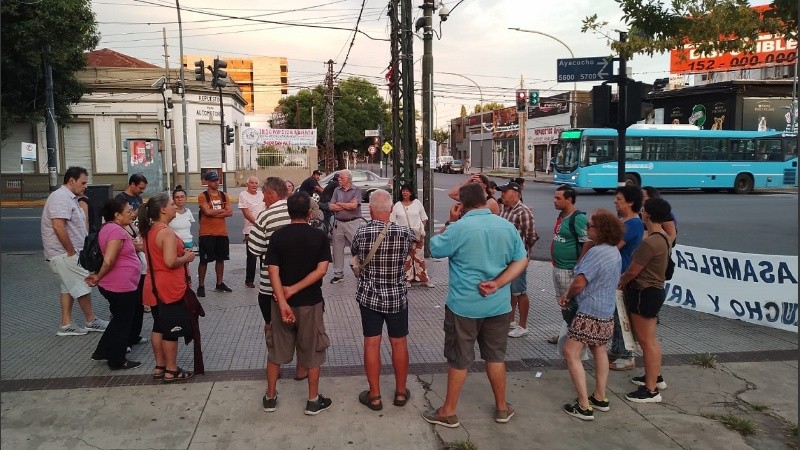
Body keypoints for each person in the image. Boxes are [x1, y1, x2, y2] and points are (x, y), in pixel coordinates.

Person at [424, 183, 528, 428]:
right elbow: (521, 260)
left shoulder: (459, 228)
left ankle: (448, 411)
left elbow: (435, 249)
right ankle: (502, 407)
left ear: (461, 204)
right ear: (484, 200)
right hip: (499, 306)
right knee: (495, 357)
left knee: (459, 359)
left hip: (464, 307)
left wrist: (450, 222)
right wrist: (498, 283)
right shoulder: (505, 225)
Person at [262, 192, 333, 415]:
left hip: (280, 304)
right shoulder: (319, 237)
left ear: (289, 211)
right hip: (310, 304)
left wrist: (283, 301)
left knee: (276, 352)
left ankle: (270, 397)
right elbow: (321, 270)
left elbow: (272, 271)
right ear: (310, 213)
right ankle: (313, 400)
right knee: (312, 352)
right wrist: (294, 289)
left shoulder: (278, 236)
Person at [352, 189, 416, 411]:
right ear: (391, 210)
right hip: (397, 297)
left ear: (370, 210)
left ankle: (375, 396)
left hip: (369, 296)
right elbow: (414, 248)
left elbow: (356, 253)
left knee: (372, 343)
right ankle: (400, 393)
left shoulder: (362, 232)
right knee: (398, 342)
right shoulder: (404, 233)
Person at [558, 209, 624, 421]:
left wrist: (567, 296)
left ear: (601, 229)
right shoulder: (613, 251)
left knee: (570, 352)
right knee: (599, 348)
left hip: (589, 310)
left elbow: (579, 281)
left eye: (590, 226)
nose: (587, 229)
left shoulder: (597, 252)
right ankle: (600, 396)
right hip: (605, 310)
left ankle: (584, 405)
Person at [248, 177, 307, 382]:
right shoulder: (301, 213)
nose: (262, 198)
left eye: (264, 194)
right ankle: (302, 367)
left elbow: (254, 249)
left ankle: (276, 364)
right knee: (302, 327)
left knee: (272, 326)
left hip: (270, 286)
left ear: (272, 194)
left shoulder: (265, 216)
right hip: (301, 284)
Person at [41, 166, 108, 336]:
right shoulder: (60, 197)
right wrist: (70, 251)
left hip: (69, 253)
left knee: (68, 287)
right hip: (64, 253)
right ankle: (91, 320)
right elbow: (58, 225)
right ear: (71, 180)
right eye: (83, 182)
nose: (85, 186)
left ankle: (66, 324)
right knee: (82, 284)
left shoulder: (70, 198)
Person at [618, 198, 673, 403]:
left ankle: (650, 390)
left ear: (647, 214)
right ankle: (654, 377)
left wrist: (621, 282)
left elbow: (633, 270)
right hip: (654, 291)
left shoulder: (650, 242)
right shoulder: (663, 237)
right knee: (650, 340)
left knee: (646, 341)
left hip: (644, 292)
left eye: (643, 210)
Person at [140, 193, 196, 382]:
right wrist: (186, 258)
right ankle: (171, 370)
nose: (175, 207)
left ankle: (160, 367)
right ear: (163, 209)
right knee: (171, 330)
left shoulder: (150, 230)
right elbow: (170, 261)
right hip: (168, 288)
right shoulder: (166, 232)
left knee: (159, 326)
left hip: (153, 285)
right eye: (172, 204)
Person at [85, 198, 142, 370]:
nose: (131, 214)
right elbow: (109, 259)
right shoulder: (115, 231)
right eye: (128, 211)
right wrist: (97, 276)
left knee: (118, 320)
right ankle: (117, 360)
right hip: (120, 286)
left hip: (120, 284)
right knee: (122, 323)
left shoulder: (111, 228)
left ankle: (102, 351)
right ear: (117, 215)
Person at [548, 185, 589, 345]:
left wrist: (579, 264)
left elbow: (587, 242)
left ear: (569, 199)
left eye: (558, 198)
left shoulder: (578, 218)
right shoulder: (561, 216)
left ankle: (576, 338)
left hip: (569, 270)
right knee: (563, 304)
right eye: (555, 197)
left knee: (572, 304)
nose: (554, 201)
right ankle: (566, 333)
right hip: (558, 267)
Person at [609, 185, 644, 371]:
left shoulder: (632, 224)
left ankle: (627, 355)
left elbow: (613, 246)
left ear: (630, 202)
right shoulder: (623, 221)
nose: (615, 201)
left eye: (619, 199)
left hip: (622, 276)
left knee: (622, 317)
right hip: (616, 274)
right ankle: (616, 349)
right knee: (615, 316)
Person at [497, 182, 538, 338]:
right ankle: (511, 321)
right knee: (510, 291)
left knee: (520, 291)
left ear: (516, 194)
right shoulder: (504, 210)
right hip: (505, 258)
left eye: (505, 192)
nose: (502, 194)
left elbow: (531, 236)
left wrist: (524, 253)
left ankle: (523, 325)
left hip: (517, 259)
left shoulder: (523, 212)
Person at [115, 173, 149, 348]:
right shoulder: (121, 199)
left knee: (138, 302)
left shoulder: (139, 198)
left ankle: (134, 335)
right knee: (126, 307)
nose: (141, 191)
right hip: (128, 255)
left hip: (139, 250)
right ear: (132, 184)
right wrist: (134, 214)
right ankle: (124, 339)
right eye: (140, 188)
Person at [197, 171, 233, 297]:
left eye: (217, 180)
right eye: (213, 180)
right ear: (207, 182)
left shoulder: (224, 196)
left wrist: (215, 212)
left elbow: (230, 212)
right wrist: (222, 211)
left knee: (221, 259)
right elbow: (207, 212)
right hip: (207, 233)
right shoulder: (203, 196)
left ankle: (219, 283)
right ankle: (201, 285)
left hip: (222, 233)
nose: (216, 182)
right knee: (204, 260)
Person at [390, 184, 434, 288]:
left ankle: (424, 279)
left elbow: (424, 218)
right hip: (403, 236)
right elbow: (392, 220)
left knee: (419, 258)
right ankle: (407, 279)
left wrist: (421, 229)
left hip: (417, 234)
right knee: (406, 258)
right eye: (403, 191)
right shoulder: (397, 205)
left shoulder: (417, 203)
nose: (405, 193)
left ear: (411, 193)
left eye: (407, 191)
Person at [328, 170, 364, 284]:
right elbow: (331, 206)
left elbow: (354, 206)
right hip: (338, 222)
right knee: (337, 249)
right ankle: (338, 274)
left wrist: (340, 204)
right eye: (338, 178)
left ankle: (359, 271)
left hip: (352, 222)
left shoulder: (357, 190)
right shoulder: (336, 190)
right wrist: (345, 206)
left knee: (356, 247)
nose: (339, 180)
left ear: (348, 179)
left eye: (341, 178)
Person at [239, 176, 265, 289]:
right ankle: (249, 280)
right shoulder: (243, 195)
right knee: (251, 256)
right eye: (252, 183)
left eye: (256, 183)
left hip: (263, 228)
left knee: (264, 255)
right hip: (250, 229)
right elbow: (246, 213)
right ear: (247, 184)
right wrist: (258, 223)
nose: (254, 185)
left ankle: (265, 278)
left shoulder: (262, 194)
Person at [168, 185, 195, 250]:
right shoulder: (170, 212)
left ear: (186, 198)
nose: (180, 199)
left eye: (182, 197)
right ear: (173, 199)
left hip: (188, 243)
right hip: (174, 243)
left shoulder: (188, 211)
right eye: (177, 197)